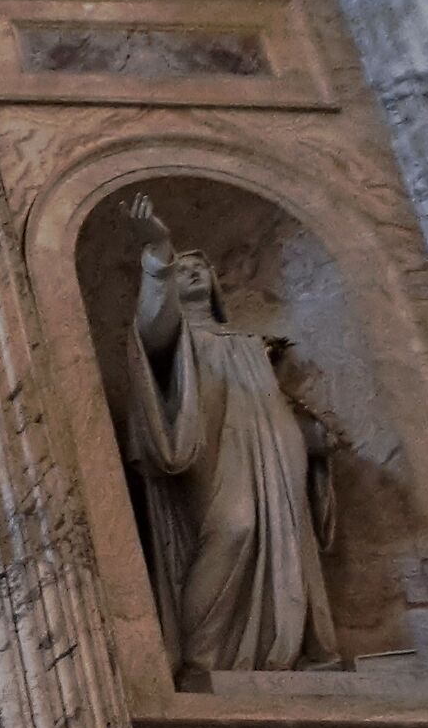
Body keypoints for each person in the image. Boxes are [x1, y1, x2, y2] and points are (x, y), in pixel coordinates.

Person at [122, 192, 339, 678]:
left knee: (284, 531)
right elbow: (152, 331)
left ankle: (281, 648)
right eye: (184, 269)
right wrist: (159, 252)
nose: (193, 272)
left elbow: (278, 399)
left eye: (200, 268)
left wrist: (309, 432)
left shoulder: (250, 344)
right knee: (233, 526)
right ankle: (203, 658)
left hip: (272, 437)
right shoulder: (175, 337)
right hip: (209, 438)